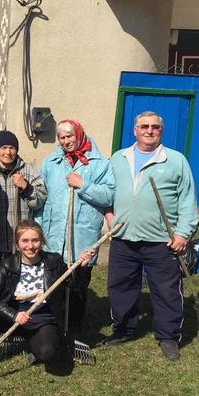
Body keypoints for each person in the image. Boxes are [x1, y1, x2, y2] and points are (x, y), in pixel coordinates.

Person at [0, 220, 94, 387]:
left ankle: (32, 341)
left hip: (42, 319)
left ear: (41, 241)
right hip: (13, 316)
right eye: (25, 241)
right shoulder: (9, 263)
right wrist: (13, 315)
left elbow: (72, 284)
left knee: (46, 353)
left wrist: (82, 267)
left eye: (35, 240)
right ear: (18, 243)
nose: (30, 246)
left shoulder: (54, 261)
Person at [105, 111, 198, 361]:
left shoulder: (175, 160)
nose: (149, 131)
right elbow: (107, 191)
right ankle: (123, 328)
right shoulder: (118, 158)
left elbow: (188, 200)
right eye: (144, 126)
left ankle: (168, 336)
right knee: (121, 286)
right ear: (135, 130)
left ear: (161, 131)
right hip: (124, 236)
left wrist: (183, 233)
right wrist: (108, 213)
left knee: (166, 290)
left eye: (155, 127)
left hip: (161, 239)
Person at [35, 119, 114, 339]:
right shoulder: (52, 161)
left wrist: (83, 185)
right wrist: (39, 231)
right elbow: (42, 197)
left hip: (82, 238)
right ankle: (52, 330)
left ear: (79, 134)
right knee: (52, 288)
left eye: (70, 136)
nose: (66, 141)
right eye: (62, 137)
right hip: (53, 237)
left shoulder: (98, 163)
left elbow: (109, 195)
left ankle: (74, 334)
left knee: (78, 289)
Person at [0, 130, 47, 286]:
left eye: (12, 148)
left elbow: (40, 200)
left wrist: (26, 187)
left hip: (19, 241)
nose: (8, 152)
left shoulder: (27, 170)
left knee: (17, 282)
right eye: (3, 148)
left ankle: (17, 309)